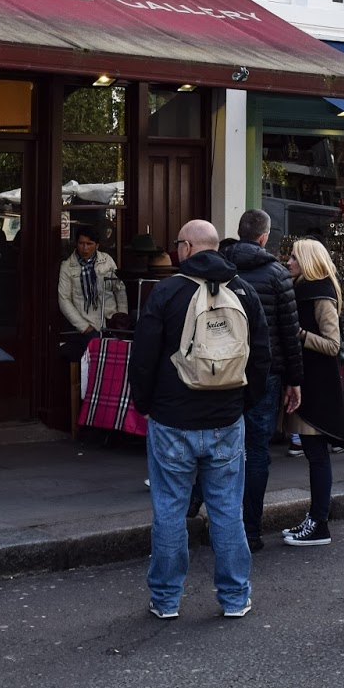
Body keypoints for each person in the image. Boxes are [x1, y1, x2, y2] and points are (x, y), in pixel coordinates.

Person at [129, 218, 270, 619]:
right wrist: (243, 403)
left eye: (178, 244)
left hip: (173, 419)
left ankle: (167, 600)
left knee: (171, 509)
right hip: (227, 419)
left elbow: (144, 356)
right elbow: (261, 356)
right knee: (227, 510)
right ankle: (234, 597)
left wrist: (146, 404)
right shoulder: (243, 290)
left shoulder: (167, 292)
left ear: (188, 248)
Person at [225, 208, 304, 552]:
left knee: (221, 448)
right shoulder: (276, 273)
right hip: (265, 371)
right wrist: (294, 380)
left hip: (222, 371)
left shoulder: (219, 267)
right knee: (257, 450)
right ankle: (250, 530)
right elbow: (289, 332)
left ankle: (220, 524)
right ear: (263, 237)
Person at [282, 239, 344, 547]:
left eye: (294, 257)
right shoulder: (305, 290)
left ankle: (319, 521)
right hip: (308, 381)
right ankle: (315, 518)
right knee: (313, 455)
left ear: (308, 261)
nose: (288, 261)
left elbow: (332, 344)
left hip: (317, 385)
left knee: (316, 455)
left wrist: (298, 334)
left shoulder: (320, 294)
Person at [57, 226, 129, 336]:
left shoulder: (107, 260)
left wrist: (122, 315)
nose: (85, 248)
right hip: (87, 324)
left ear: (97, 245)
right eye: (81, 243)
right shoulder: (67, 266)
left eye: (89, 244)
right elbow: (64, 300)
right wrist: (84, 327)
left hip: (112, 320)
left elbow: (119, 288)